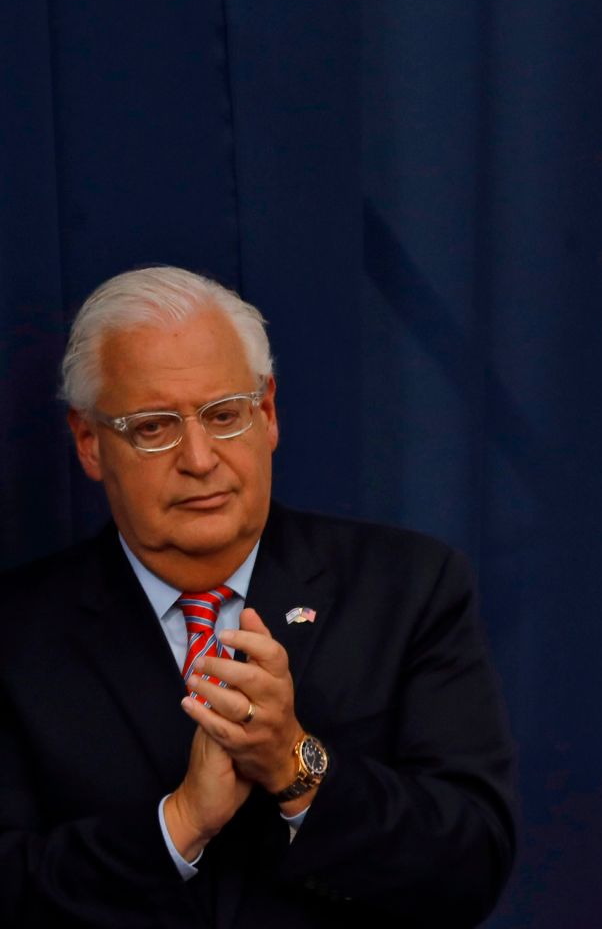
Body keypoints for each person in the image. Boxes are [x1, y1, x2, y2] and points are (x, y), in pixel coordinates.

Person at [0, 266, 518, 927]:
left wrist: (294, 764)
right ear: (89, 443)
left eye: (224, 416)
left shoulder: (408, 588)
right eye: (154, 427)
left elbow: (470, 868)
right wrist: (178, 823)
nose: (199, 458)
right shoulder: (16, 636)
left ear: (267, 414)